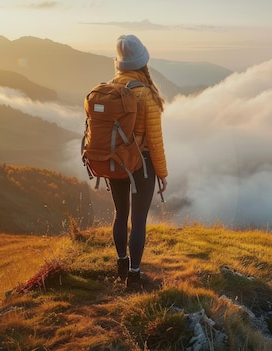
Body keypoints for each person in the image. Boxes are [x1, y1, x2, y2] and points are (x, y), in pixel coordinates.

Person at [110, 34, 168, 290]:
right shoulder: (146, 95)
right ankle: (134, 277)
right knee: (139, 220)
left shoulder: (110, 88)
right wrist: (162, 173)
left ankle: (121, 263)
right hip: (141, 164)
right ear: (143, 62)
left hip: (115, 161)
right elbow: (154, 141)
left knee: (120, 214)